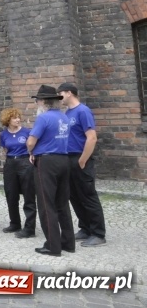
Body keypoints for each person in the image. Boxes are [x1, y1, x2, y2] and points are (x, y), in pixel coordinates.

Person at [58, 82, 107, 247]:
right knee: (74, 196)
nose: (60, 98)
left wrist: (83, 159)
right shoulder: (68, 112)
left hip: (80, 158)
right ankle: (85, 228)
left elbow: (91, 137)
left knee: (87, 195)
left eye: (61, 94)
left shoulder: (83, 111)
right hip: (68, 159)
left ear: (69, 93)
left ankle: (98, 233)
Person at [26, 85, 73, 256]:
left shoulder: (43, 118)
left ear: (44, 102)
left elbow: (31, 142)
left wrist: (30, 151)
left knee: (46, 204)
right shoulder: (64, 117)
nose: (37, 103)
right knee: (62, 204)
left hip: (46, 162)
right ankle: (68, 242)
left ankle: (53, 245)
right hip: (63, 159)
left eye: (38, 100)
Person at [0, 107, 36, 238]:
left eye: (19, 117)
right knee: (11, 194)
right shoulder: (3, 134)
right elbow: (4, 150)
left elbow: (33, 147)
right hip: (10, 164)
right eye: (14, 118)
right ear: (8, 120)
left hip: (25, 162)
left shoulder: (27, 132)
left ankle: (30, 227)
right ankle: (15, 223)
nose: (18, 119)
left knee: (28, 194)